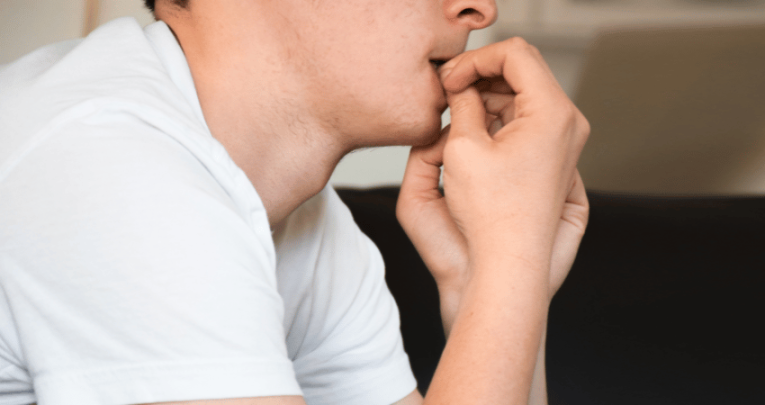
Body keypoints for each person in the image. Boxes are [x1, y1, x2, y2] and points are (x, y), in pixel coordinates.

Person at [0, 0, 590, 404]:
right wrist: (514, 246)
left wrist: (486, 277)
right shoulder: (108, 166)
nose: (480, 9)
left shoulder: (303, 221)